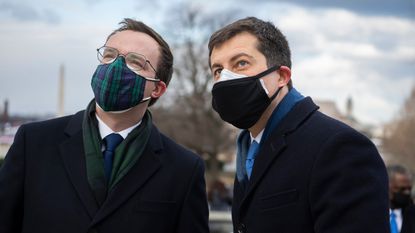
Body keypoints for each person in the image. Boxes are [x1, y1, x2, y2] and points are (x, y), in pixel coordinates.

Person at [0, 18, 209, 233]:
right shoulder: (34, 142)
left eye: (135, 62)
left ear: (157, 89)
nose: (116, 66)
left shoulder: (184, 168)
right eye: (109, 55)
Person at [208, 16, 389, 233]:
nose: (225, 78)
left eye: (241, 63)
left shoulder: (340, 148)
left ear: (282, 76)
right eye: (218, 70)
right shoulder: (247, 145)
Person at [387, 165, 415, 233]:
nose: (407, 193)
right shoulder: (372, 214)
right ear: (388, 187)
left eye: (409, 189)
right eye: (402, 189)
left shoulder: (412, 214)